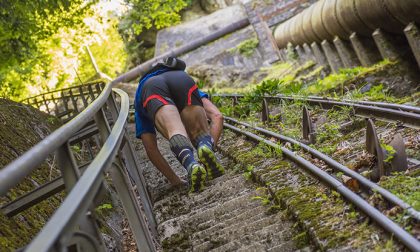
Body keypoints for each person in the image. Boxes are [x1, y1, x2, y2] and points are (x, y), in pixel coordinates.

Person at [134, 57, 224, 193]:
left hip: (151, 89)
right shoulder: (177, 74)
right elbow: (217, 116)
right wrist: (211, 147)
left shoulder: (141, 90)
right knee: (200, 134)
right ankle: (205, 146)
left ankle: (191, 165)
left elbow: (151, 148)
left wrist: (175, 180)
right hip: (182, 80)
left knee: (175, 130)